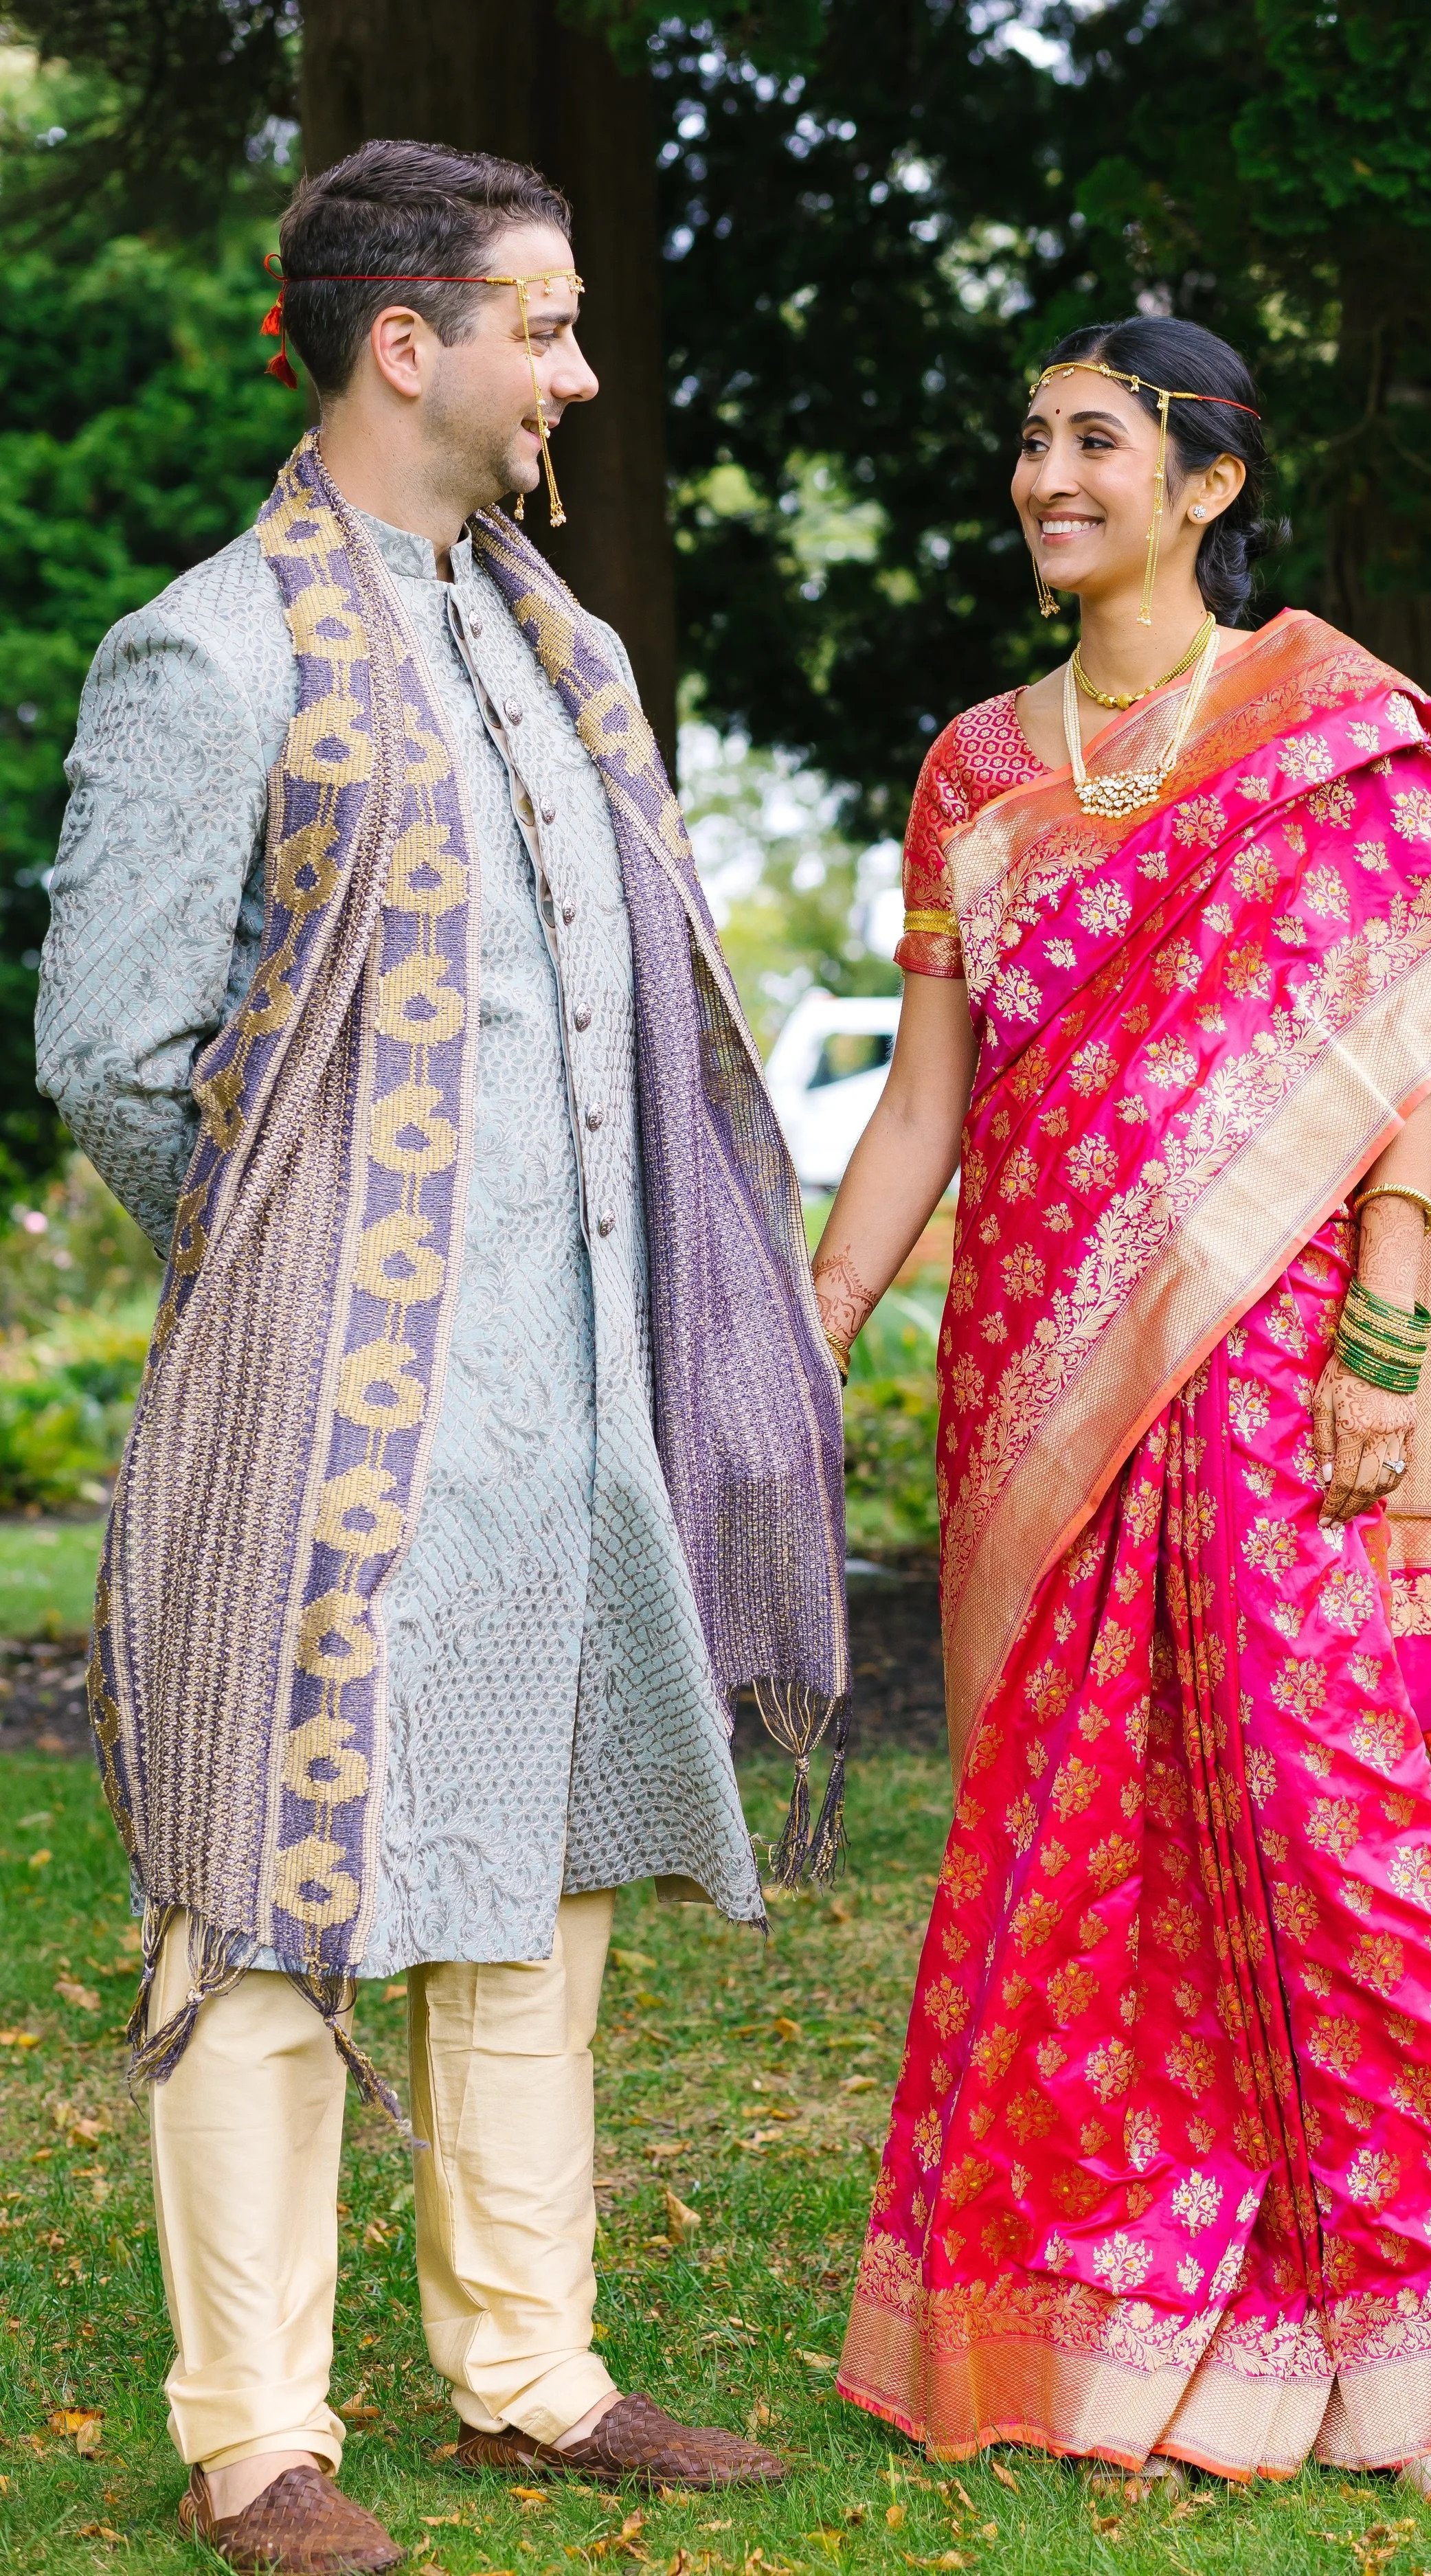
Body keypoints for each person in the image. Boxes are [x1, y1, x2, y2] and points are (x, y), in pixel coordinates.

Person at [37, 139, 848, 2573]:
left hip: (572, 1401)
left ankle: (528, 2369)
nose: (578, 371)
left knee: (537, 1870)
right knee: (272, 1902)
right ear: (414, 342)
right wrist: (300, 1264)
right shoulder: (219, 650)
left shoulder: (555, 645)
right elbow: (108, 1047)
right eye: (551, 323)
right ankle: (255, 2431)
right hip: (326, 1406)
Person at [818, 315, 1431, 2504]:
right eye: (1031, 442)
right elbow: (926, 1098)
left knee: (1329, 1827)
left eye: (1092, 443)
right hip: (1034, 1362)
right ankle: (1102, 2316)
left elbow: (1413, 1032)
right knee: (1064, 1850)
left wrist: (1387, 1332)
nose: (1047, 477)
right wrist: (828, 1305)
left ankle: (1405, 2334)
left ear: (1207, 484)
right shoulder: (973, 765)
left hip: (1262, 1353)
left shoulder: (1330, 729)